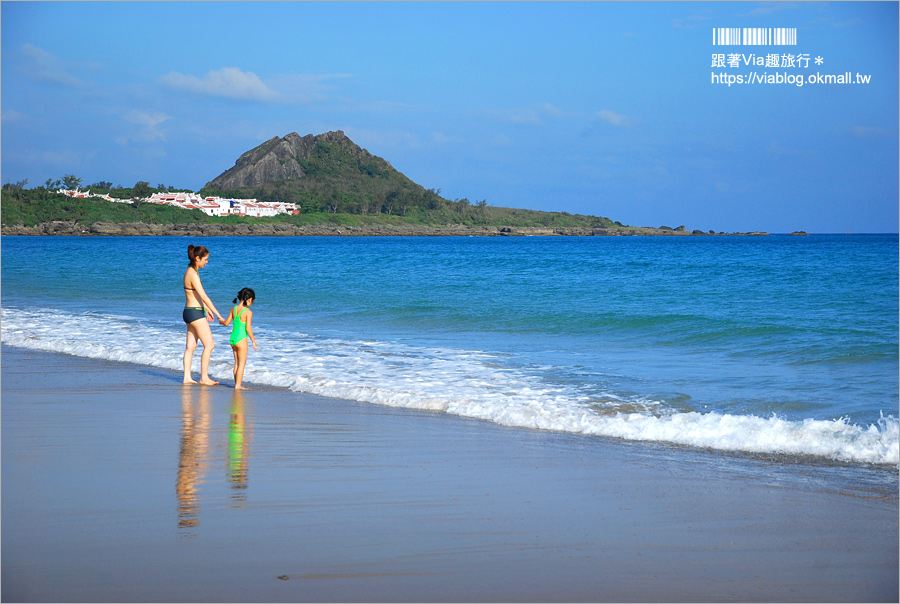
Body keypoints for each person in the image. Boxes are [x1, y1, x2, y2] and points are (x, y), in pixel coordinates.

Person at [183, 244, 226, 385]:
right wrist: (218, 314)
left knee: (191, 347)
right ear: (197, 258)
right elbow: (204, 296)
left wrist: (206, 309)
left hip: (189, 312)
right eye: (205, 259)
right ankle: (204, 378)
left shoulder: (189, 271)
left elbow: (195, 295)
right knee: (209, 345)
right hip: (195, 314)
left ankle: (187, 378)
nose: (207, 262)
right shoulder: (193, 274)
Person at [223, 288, 258, 390]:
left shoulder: (233, 309)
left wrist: (221, 321)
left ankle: (236, 384)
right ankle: (238, 385)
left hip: (233, 339)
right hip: (241, 339)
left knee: (237, 363)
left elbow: (226, 323)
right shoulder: (248, 312)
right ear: (249, 299)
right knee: (242, 364)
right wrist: (253, 341)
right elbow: (248, 329)